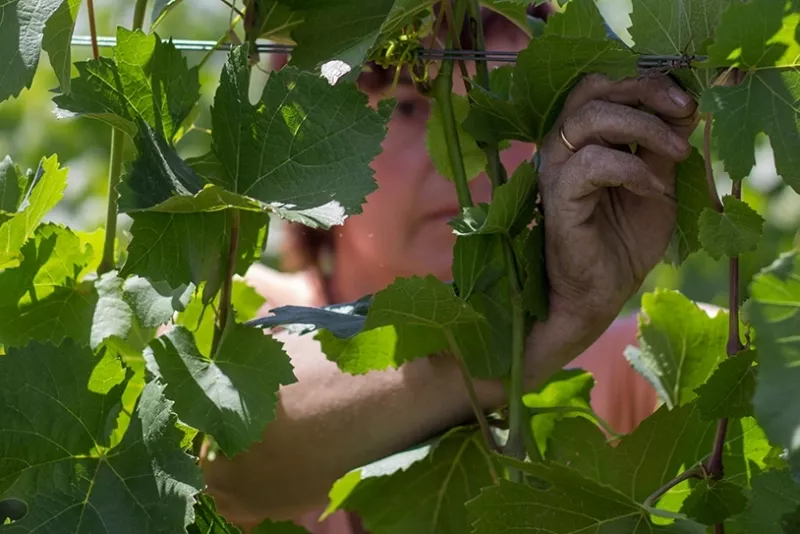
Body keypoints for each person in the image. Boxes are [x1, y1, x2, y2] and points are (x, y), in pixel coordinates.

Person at [202, 4, 699, 533]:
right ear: (309, 138)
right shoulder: (231, 312)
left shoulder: (648, 367)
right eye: (411, 106)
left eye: (503, 102)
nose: (465, 148)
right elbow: (229, 450)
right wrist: (513, 343)